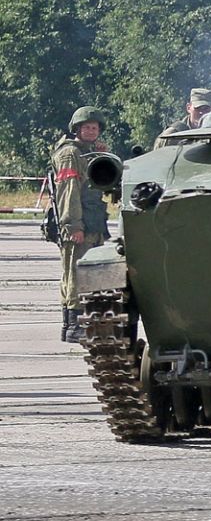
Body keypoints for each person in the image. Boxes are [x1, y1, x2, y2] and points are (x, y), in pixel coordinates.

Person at [49, 107, 113, 344]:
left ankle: (72, 325)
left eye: (94, 127)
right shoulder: (70, 154)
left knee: (81, 272)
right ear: (76, 129)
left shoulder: (89, 152)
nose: (90, 130)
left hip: (92, 220)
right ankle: (73, 325)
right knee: (76, 273)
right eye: (86, 127)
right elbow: (69, 192)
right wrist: (73, 225)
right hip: (78, 221)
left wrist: (102, 157)